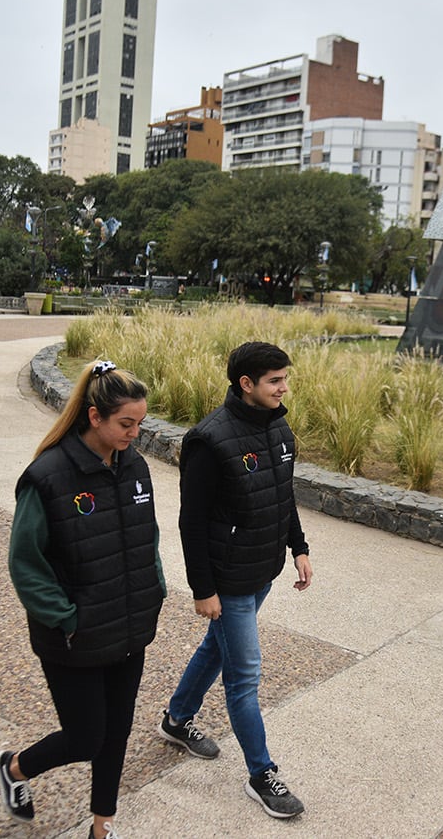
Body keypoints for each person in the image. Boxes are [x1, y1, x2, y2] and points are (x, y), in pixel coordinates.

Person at [0, 360, 164, 839]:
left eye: (140, 423)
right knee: (87, 737)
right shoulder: (48, 476)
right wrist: (67, 619)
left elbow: (146, 537)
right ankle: (14, 768)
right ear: (95, 417)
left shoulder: (134, 466)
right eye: (126, 424)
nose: (135, 433)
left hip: (130, 624)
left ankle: (101, 826)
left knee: (117, 734)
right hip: (74, 636)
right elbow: (25, 563)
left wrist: (155, 588)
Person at [158, 341, 313, 820]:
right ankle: (261, 774)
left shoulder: (279, 428)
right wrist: (203, 589)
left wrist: (299, 547)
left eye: (284, 379)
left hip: (262, 568)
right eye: (274, 381)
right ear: (246, 384)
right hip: (228, 579)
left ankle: (177, 719)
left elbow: (280, 497)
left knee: (215, 649)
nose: (283, 387)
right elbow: (191, 521)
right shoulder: (209, 439)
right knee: (243, 677)